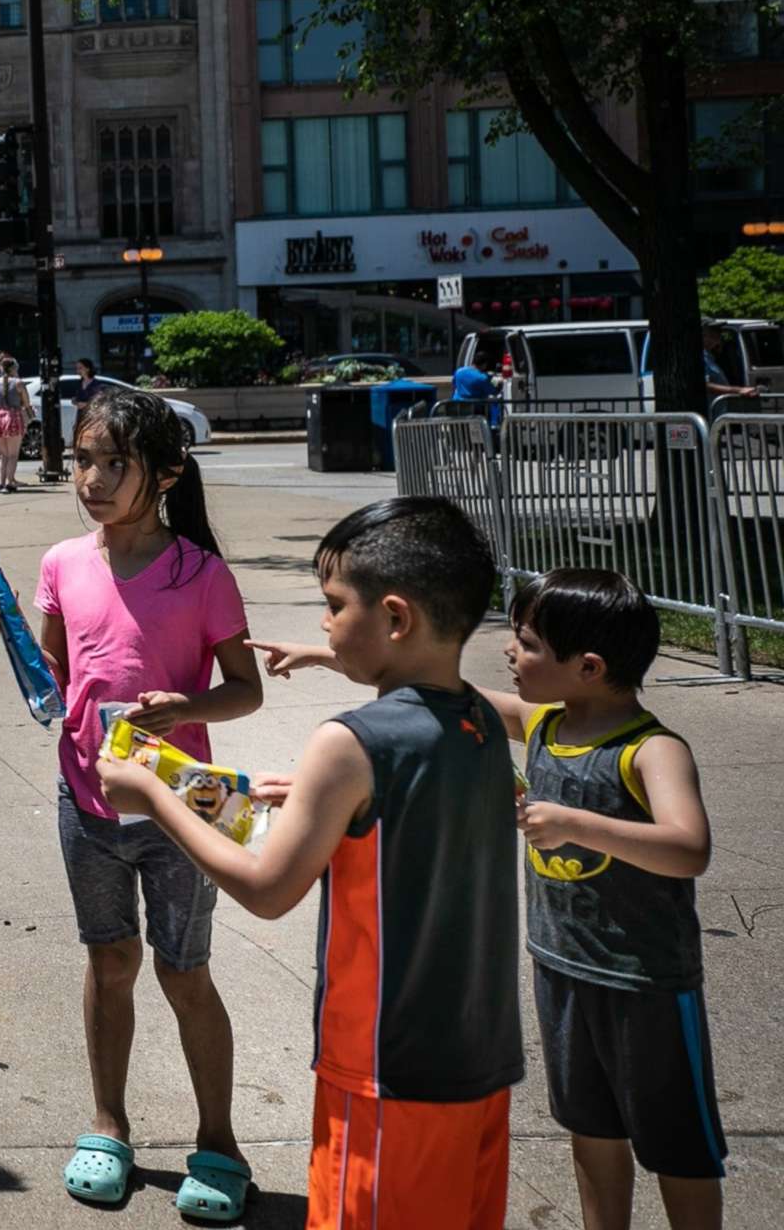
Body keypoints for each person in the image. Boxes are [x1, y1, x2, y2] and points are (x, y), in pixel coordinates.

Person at [124, 498, 521, 1230]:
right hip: (479, 1056)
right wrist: (318, 801)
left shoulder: (350, 743)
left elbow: (269, 890)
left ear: (395, 619)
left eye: (334, 606)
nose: (324, 623)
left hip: (382, 1067)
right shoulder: (482, 723)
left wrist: (154, 795)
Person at [0, 388, 263, 1219]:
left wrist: (185, 709)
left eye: (114, 464)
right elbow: (58, 684)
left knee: (184, 970)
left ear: (166, 473)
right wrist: (15, 639)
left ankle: (219, 1141)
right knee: (110, 962)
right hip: (87, 800)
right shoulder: (64, 563)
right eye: (81, 461)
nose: (92, 480)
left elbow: (243, 691)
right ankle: (108, 1125)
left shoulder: (201, 574)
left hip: (180, 804)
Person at [474, 571, 721, 1229]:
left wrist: (578, 824)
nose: (509, 653)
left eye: (525, 643)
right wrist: (359, 655)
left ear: (587, 666)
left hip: (646, 985)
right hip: (563, 970)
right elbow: (463, 696)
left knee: (679, 1146)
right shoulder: (547, 723)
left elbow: (687, 846)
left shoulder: (650, 751)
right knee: (590, 1127)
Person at [0, 354, 30, 492]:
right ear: (13, 368)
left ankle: (2, 483)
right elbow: (26, 402)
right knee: (13, 455)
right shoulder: (18, 383)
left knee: (4, 455)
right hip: (13, 417)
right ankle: (10, 483)